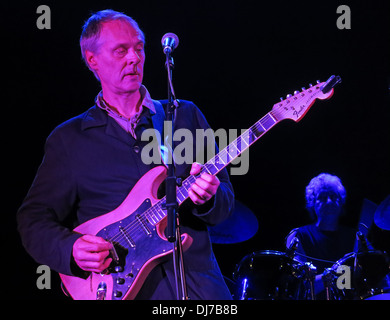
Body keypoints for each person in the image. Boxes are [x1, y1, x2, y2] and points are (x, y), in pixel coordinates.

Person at [17, 9, 234, 300]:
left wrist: (209, 198)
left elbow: (225, 205)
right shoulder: (69, 139)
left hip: (199, 288)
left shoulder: (186, 116)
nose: (134, 58)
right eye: (121, 50)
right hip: (120, 288)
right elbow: (33, 218)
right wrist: (71, 248)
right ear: (92, 60)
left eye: (139, 48)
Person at [285, 173, 356, 298]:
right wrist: (334, 273)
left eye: (333, 196)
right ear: (312, 203)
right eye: (322, 197)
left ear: (341, 201)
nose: (329, 201)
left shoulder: (355, 237)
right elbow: (300, 287)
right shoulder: (298, 236)